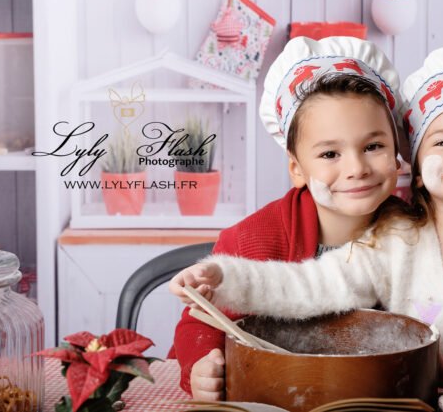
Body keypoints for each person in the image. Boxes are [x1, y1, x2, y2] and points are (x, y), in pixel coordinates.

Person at [170, 43, 443, 386]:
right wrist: (222, 279)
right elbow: (304, 285)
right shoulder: (393, 240)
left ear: (398, 159)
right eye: (442, 143)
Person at [169, 36, 405, 399]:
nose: (357, 168)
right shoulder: (252, 241)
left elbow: (429, 313)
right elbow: (200, 324)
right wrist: (203, 365)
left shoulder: (414, 233)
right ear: (296, 168)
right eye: (330, 154)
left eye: (373, 147)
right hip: (279, 395)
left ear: (397, 153)